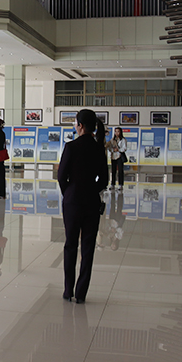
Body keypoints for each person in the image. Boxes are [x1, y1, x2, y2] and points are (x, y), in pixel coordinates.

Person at [58, 109, 109, 304]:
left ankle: (68, 290)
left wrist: (69, 193)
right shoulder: (99, 149)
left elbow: (61, 176)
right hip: (91, 202)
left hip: (72, 201)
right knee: (88, 247)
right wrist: (90, 190)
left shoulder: (71, 147)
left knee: (70, 244)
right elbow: (104, 180)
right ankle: (81, 293)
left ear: (79, 125)